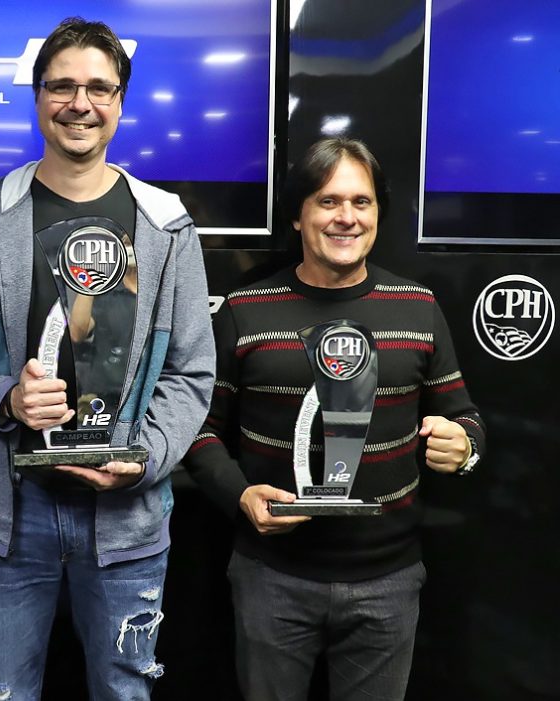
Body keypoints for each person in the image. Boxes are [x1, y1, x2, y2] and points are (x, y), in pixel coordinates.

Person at [0, 17, 214, 701]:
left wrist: (141, 456)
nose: (79, 103)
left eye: (99, 88)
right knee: (4, 691)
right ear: (37, 97)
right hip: (7, 511)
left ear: (120, 102)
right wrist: (4, 397)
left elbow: (193, 372)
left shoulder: (168, 226)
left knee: (124, 690)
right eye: (62, 87)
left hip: (127, 518)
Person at [183, 137, 486, 701]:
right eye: (327, 201)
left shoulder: (418, 308)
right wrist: (241, 497)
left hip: (388, 582)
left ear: (378, 214)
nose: (346, 217)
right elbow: (199, 432)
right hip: (271, 578)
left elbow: (464, 417)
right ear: (298, 215)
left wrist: (463, 447)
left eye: (361, 202)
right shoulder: (245, 311)